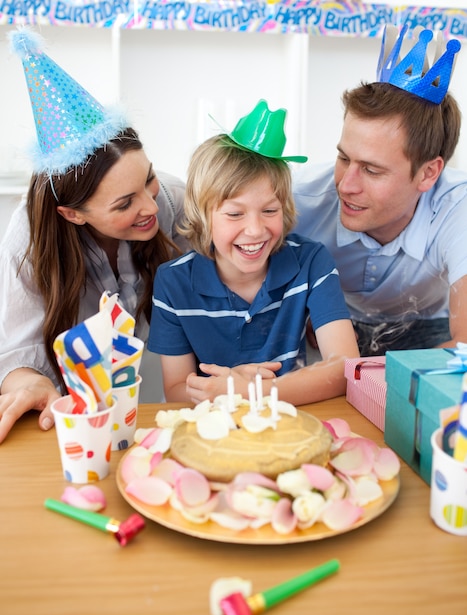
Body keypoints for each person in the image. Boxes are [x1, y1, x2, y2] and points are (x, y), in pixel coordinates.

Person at [0, 28, 187, 443]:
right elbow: (17, 351)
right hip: (75, 425)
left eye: (149, 179)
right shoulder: (27, 241)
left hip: (160, 411)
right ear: (72, 214)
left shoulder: (175, 199)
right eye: (124, 204)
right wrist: (25, 382)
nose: (152, 208)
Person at [148, 100, 359, 405]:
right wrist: (231, 394)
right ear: (203, 215)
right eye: (235, 214)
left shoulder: (312, 262)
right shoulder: (173, 282)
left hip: (287, 423)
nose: (256, 230)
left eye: (270, 210)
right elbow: (177, 390)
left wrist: (251, 392)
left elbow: (344, 368)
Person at [292, 24, 467, 356]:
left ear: (428, 173)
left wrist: (361, 378)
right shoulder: (298, 199)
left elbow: (465, 346)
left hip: (430, 331)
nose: (346, 185)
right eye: (343, 157)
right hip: (329, 327)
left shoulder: (459, 207)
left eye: (372, 170)